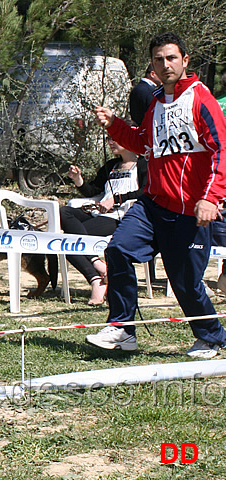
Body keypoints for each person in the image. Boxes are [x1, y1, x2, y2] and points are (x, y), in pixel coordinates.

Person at [87, 32, 226, 358]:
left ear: (185, 61)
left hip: (190, 211)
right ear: (152, 64)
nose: (165, 65)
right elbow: (142, 143)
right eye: (159, 60)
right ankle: (122, 329)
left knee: (185, 283)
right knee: (118, 250)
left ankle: (212, 337)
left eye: (171, 58)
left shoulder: (200, 99)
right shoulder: (156, 104)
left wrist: (210, 197)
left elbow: (221, 150)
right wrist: (114, 125)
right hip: (152, 205)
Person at [61, 136, 147, 305]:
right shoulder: (111, 165)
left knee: (69, 239)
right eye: (109, 139)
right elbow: (92, 190)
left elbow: (144, 191)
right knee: (64, 212)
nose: (110, 143)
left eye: (115, 138)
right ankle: (97, 266)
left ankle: (96, 281)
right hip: (99, 213)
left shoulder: (143, 164)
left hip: (120, 217)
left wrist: (115, 200)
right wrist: (78, 179)